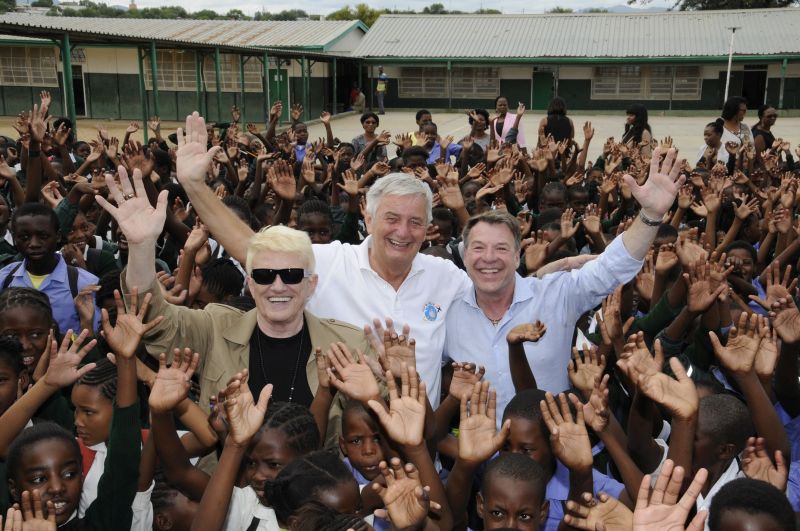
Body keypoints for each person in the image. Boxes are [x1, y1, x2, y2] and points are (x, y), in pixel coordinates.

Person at [97, 165, 373, 420]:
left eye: (291, 275)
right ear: (251, 285)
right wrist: (142, 247)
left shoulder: (349, 344)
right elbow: (152, 317)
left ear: (310, 284)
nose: (278, 286)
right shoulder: (214, 327)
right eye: (265, 276)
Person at [445, 145, 683, 416]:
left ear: (516, 257)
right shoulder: (446, 311)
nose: (489, 258)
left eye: (501, 248)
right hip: (478, 455)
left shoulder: (556, 294)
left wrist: (650, 215)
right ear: (464, 258)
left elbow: (612, 267)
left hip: (557, 447)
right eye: (478, 248)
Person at [0, 203, 100, 336]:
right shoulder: (5, 278)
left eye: (43, 236)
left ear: (58, 236)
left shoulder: (83, 283)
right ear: (14, 238)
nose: (34, 243)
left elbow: (94, 339)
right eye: (24, 237)